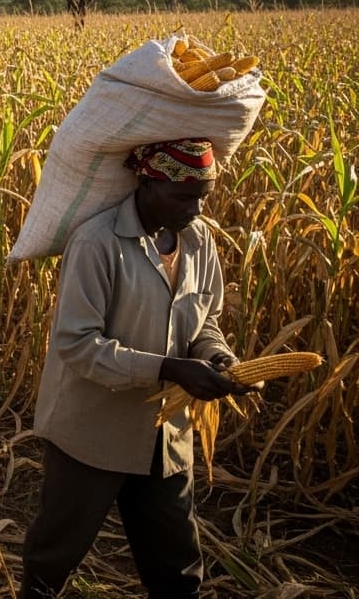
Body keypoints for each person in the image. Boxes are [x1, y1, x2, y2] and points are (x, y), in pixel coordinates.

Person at [20, 138, 254, 599]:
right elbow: (77, 345)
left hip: (165, 434)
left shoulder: (199, 241)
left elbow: (207, 322)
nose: (196, 207)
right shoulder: (97, 242)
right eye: (184, 195)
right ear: (147, 183)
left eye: (203, 195)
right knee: (52, 560)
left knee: (177, 567)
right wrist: (170, 368)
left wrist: (218, 357)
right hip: (92, 434)